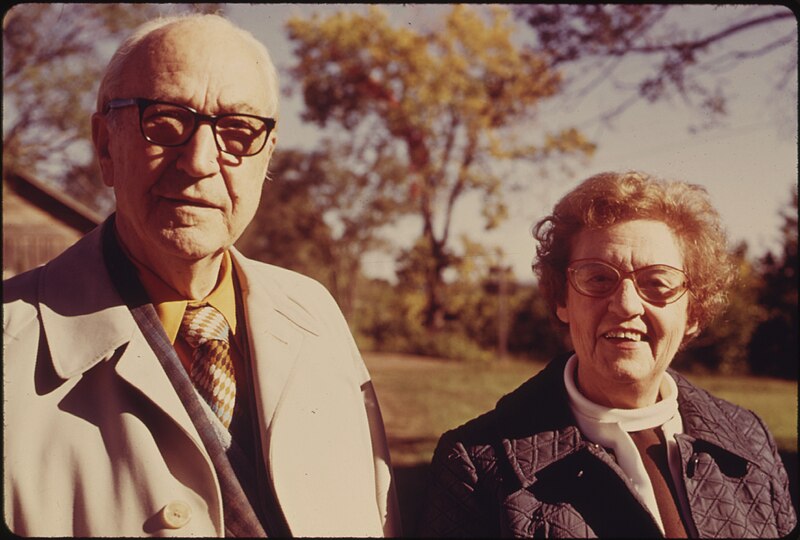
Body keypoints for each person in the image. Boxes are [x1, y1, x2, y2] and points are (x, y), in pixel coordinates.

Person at [3, 14, 400, 537]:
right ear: (105, 145)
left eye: (238, 132)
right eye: (165, 121)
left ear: (267, 157)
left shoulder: (316, 314)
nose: (199, 161)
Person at [419, 171, 796, 538]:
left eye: (657, 284)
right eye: (598, 278)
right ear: (561, 299)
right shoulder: (475, 463)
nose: (625, 304)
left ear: (693, 312)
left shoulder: (750, 438)